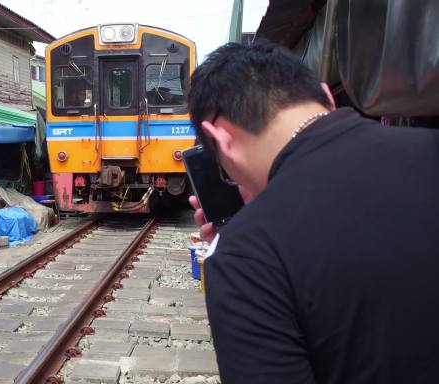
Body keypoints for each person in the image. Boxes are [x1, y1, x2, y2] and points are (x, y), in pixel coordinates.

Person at [187, 40, 439, 383]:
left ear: (221, 139)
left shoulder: (247, 254)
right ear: (327, 97)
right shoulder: (429, 148)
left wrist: (241, 239)